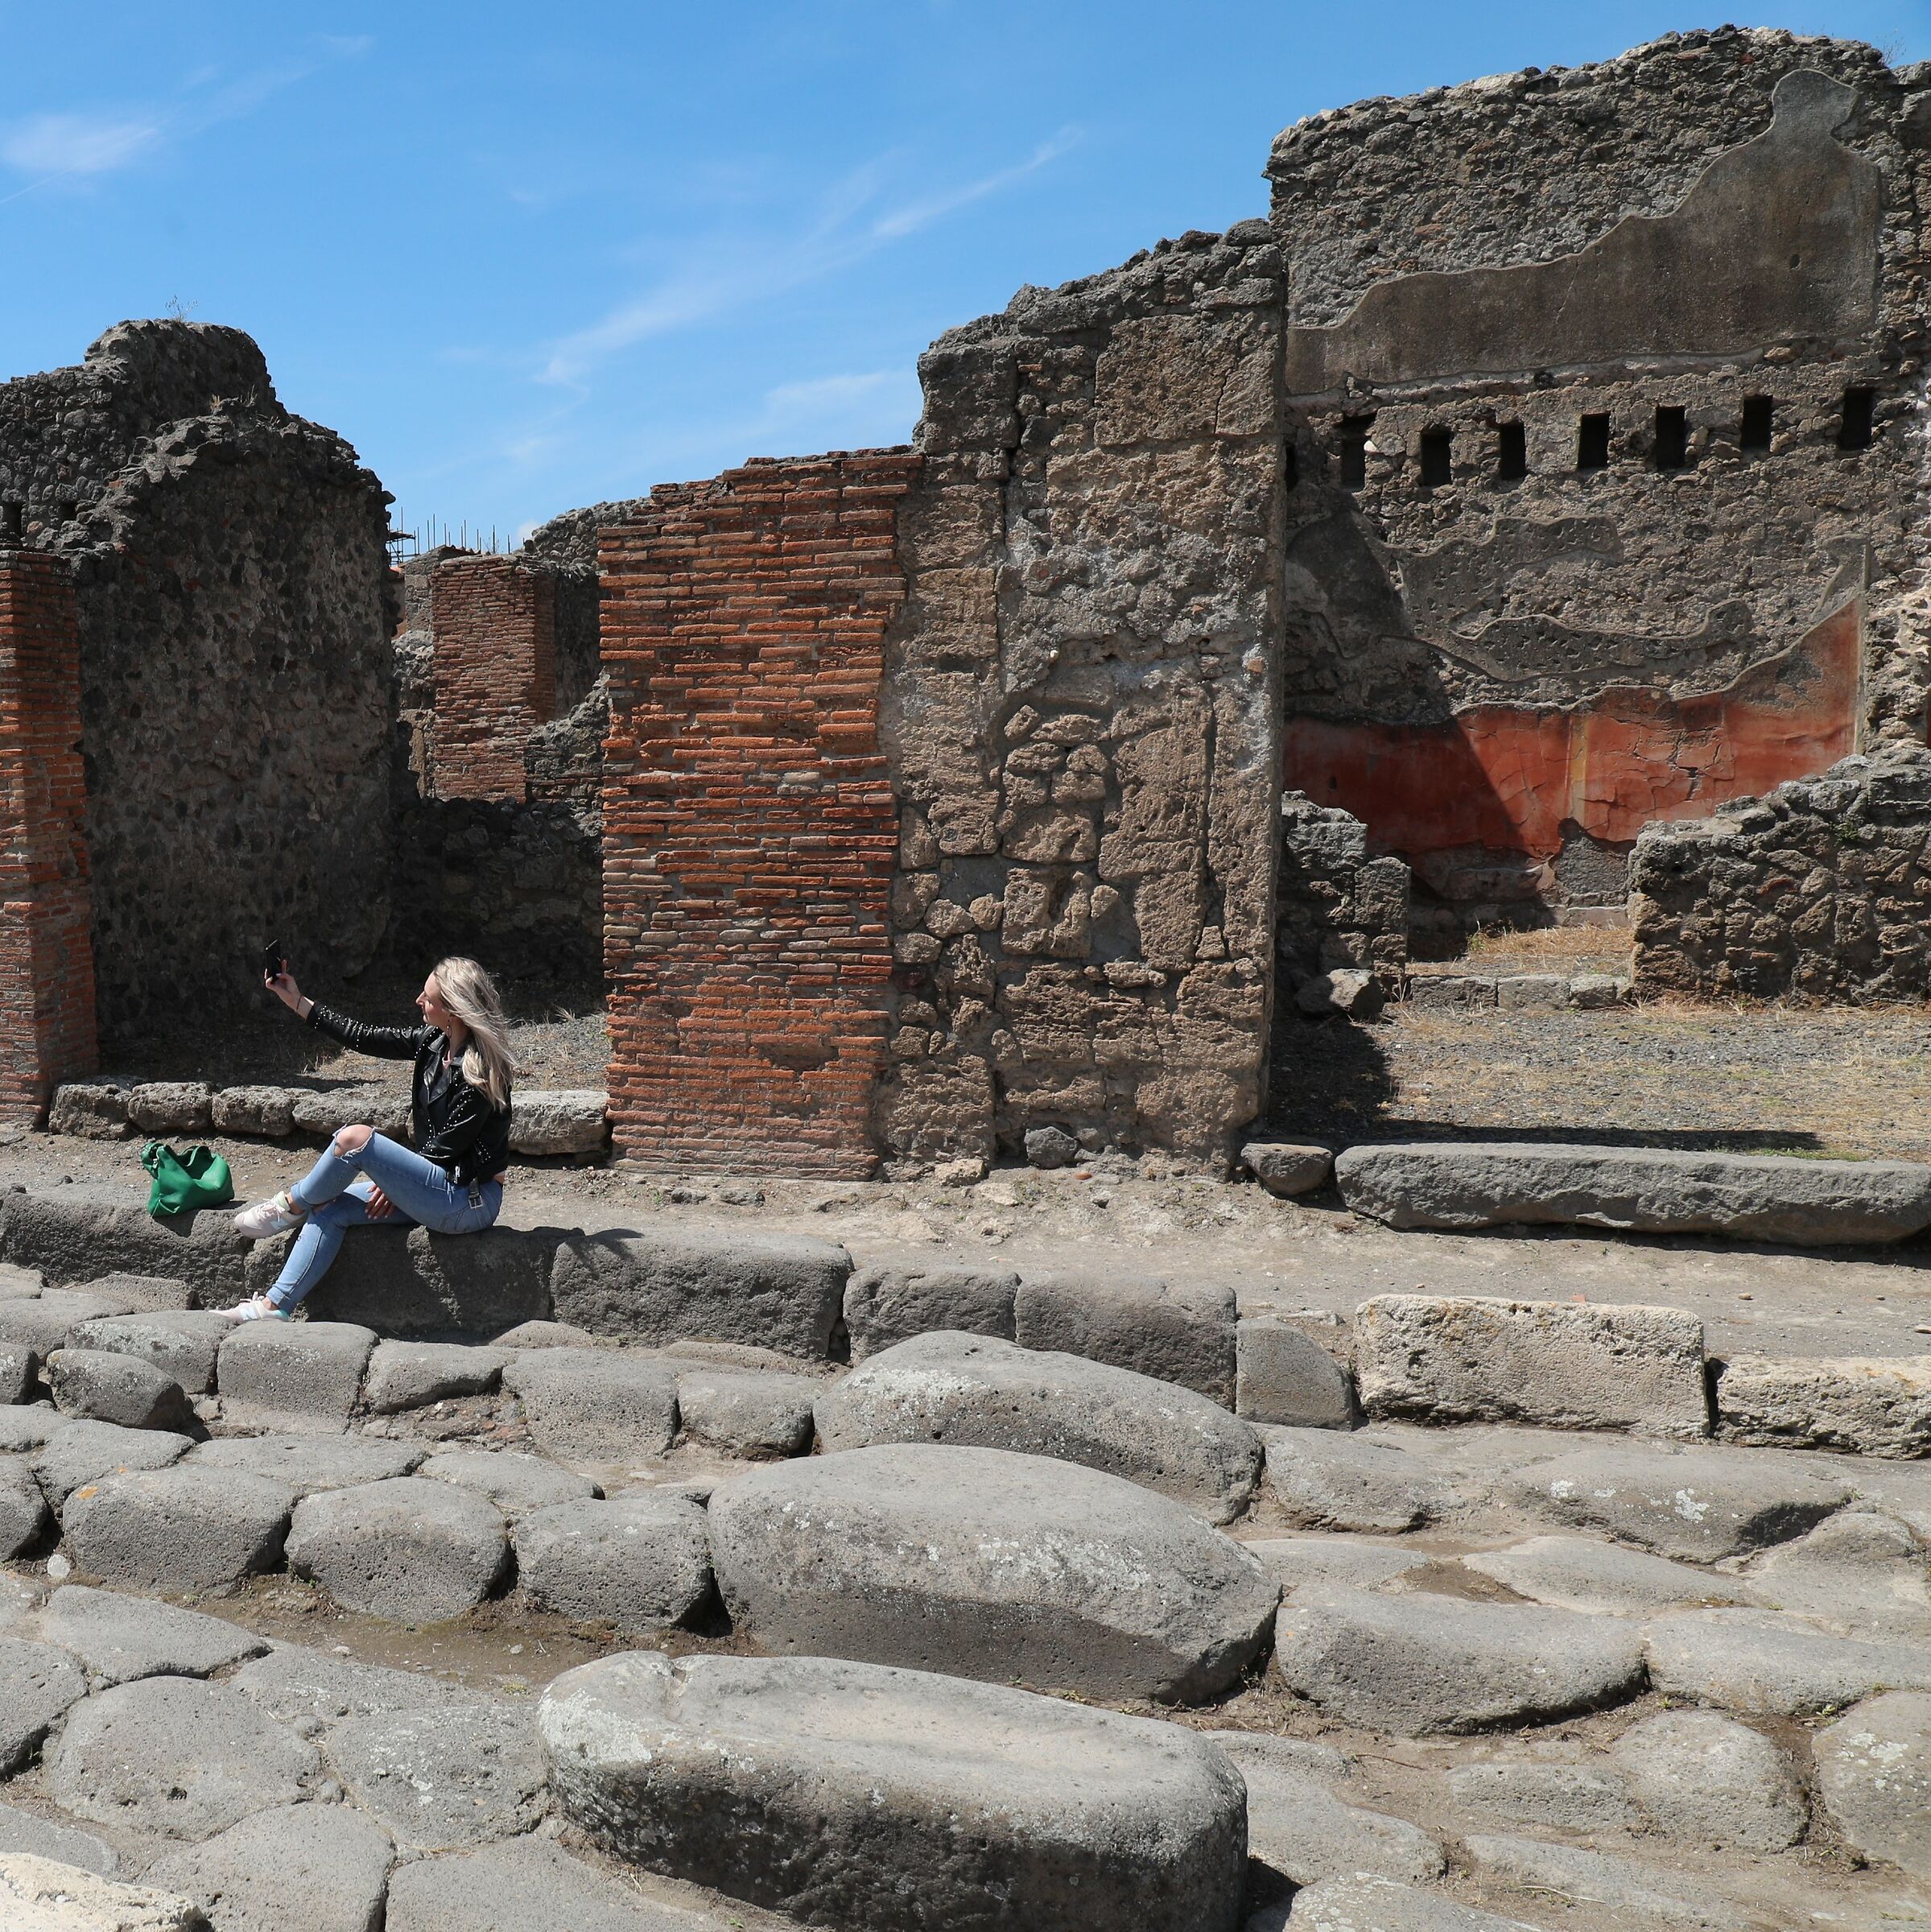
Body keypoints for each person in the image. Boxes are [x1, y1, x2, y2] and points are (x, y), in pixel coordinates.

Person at [222, 956, 518, 1321]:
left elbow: (447, 1150)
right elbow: (363, 1036)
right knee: (330, 1206)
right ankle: (275, 1306)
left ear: (453, 1011)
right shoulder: (432, 1042)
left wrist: (396, 1182)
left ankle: (289, 1204)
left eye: (427, 998)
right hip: (435, 1184)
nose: (418, 1001)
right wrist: (298, 1002)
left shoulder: (483, 1071)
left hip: (468, 1199)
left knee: (356, 1138)